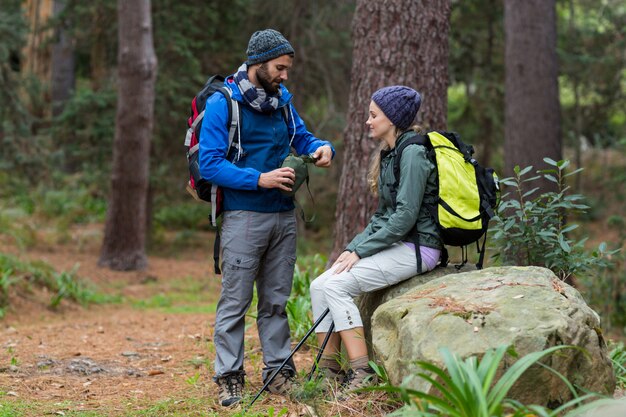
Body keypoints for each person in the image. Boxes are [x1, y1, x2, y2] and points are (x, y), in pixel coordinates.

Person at [198, 29, 335, 407]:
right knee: (235, 301)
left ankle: (279, 374)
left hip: (283, 217)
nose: (285, 75)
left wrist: (324, 149)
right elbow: (209, 164)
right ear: (257, 63)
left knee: (275, 301)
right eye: (279, 68)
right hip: (244, 217)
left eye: (287, 69)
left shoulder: (282, 103)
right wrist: (260, 178)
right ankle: (229, 378)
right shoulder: (223, 104)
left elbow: (303, 139)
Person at [309, 86, 441, 394]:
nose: (368, 121)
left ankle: (361, 372)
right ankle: (328, 372)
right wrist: (353, 247)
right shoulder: (389, 153)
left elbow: (406, 217)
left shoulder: (413, 154)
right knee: (319, 285)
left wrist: (361, 250)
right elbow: (383, 216)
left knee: (336, 285)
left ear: (392, 118)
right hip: (399, 244)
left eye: (373, 115)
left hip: (420, 248)